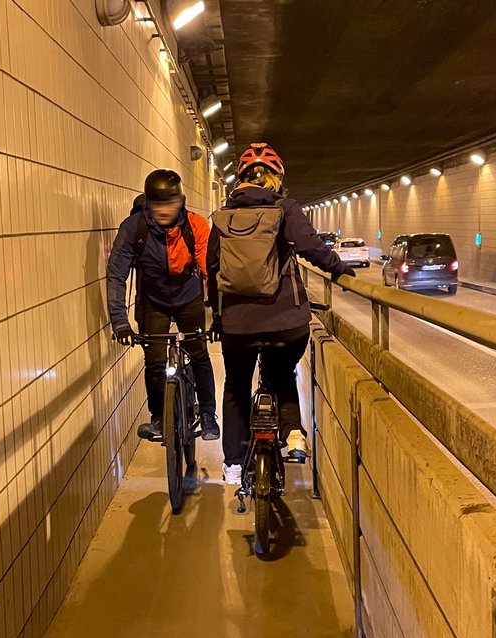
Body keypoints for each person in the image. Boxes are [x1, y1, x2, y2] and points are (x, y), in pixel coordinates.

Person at [206, 142, 356, 483]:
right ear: (277, 177)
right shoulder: (285, 209)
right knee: (282, 373)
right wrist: (339, 269)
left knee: (236, 385)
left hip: (238, 325)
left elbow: (212, 266)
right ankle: (293, 435)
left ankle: (231, 463)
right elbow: (310, 247)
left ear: (240, 179)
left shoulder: (223, 216)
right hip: (287, 322)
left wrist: (218, 317)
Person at [107, 168, 220, 441]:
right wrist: (120, 322)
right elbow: (116, 274)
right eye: (157, 204)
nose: (163, 210)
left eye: (170, 203)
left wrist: (218, 313)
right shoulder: (134, 228)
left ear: (180, 201)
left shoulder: (196, 226)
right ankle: (159, 417)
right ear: (148, 203)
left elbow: (211, 272)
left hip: (188, 296)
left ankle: (207, 414)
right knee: (155, 362)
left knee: (199, 354)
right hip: (152, 299)